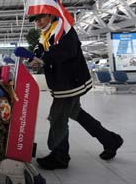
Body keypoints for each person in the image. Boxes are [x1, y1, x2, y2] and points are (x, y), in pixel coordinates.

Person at [28, 13, 123, 170]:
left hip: (70, 83)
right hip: (62, 83)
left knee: (57, 117)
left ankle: (60, 156)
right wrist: (37, 55)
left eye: (40, 18)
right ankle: (111, 140)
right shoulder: (46, 33)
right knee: (76, 113)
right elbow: (41, 46)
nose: (37, 22)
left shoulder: (64, 29)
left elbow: (67, 51)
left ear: (51, 15)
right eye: (35, 20)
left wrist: (44, 58)